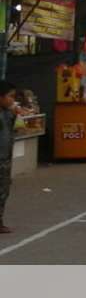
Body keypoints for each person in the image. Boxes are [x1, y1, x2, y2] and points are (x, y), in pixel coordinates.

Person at [0, 81, 17, 233]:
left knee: (4, 191)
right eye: (10, 96)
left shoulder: (8, 113)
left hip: (5, 157)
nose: (12, 100)